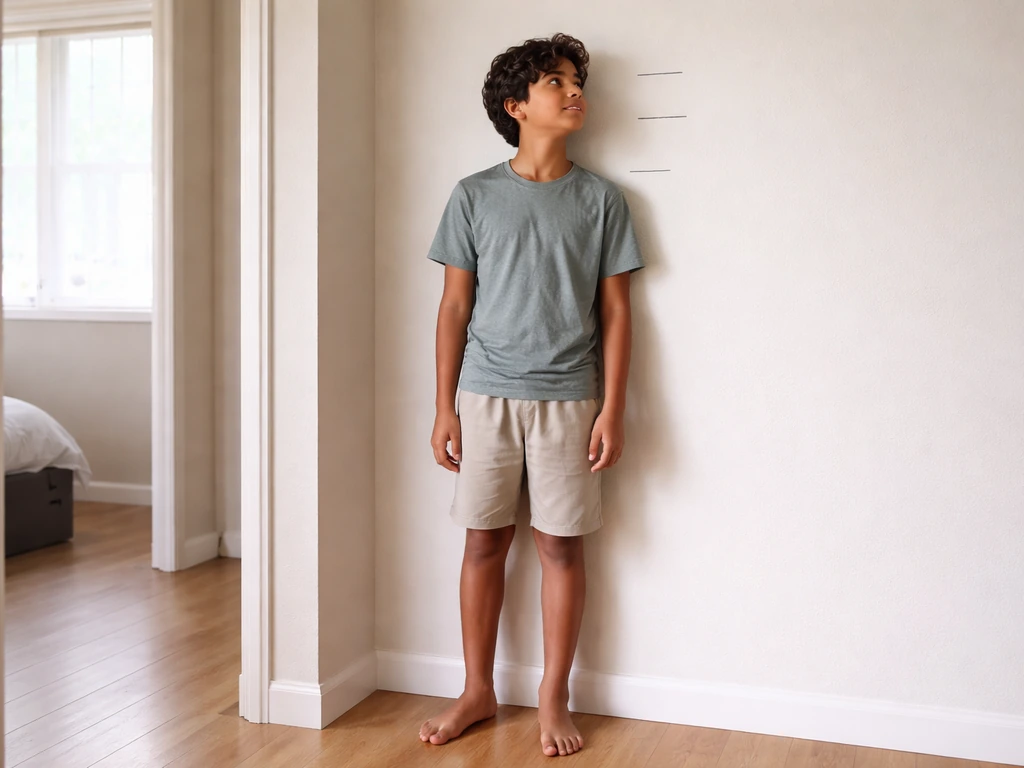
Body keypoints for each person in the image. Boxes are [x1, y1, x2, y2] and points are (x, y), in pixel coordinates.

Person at [420, 32, 645, 758]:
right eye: (556, 81)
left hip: (570, 401)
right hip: (484, 397)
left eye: (577, 80)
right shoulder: (474, 195)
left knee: (559, 547)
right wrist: (442, 406)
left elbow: (616, 312)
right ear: (517, 106)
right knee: (483, 541)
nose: (575, 90)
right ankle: (477, 690)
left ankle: (554, 695)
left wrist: (613, 405)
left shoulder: (602, 200)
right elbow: (454, 307)